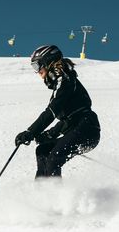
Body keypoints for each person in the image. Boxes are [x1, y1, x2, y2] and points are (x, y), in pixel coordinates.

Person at [15, 45, 101, 179]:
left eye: (37, 66)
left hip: (87, 130)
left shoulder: (65, 80)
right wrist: (49, 135)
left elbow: (52, 111)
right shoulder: (61, 82)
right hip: (79, 128)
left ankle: (55, 196)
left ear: (48, 62)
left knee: (54, 159)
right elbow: (69, 119)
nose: (38, 72)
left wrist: (31, 132)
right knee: (43, 150)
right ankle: (41, 194)